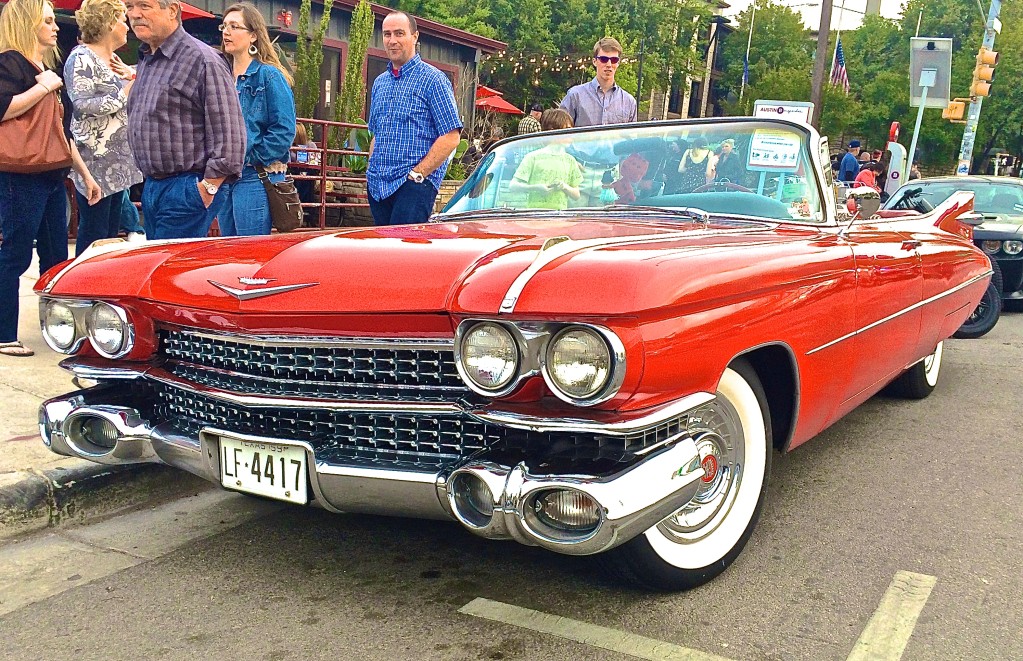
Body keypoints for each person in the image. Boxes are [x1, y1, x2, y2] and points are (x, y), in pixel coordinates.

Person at [0, 0, 101, 358]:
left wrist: (85, 175)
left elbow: (59, 132)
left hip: (50, 174)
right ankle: (4, 332)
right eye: (46, 20)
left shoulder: (46, 67)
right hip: (19, 174)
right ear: (27, 23)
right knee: (13, 254)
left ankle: (61, 330)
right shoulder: (10, 62)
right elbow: (4, 108)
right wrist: (41, 88)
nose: (55, 26)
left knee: (57, 255)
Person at [125, 0, 245, 240]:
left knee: (167, 269)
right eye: (129, 7)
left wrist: (208, 187)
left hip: (186, 185)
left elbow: (230, 134)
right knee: (158, 267)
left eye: (144, 6)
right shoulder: (149, 57)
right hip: (154, 185)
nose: (135, 14)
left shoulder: (203, 59)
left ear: (172, 10)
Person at [366, 11, 461, 226]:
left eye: (399, 33)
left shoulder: (433, 80)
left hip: (413, 185)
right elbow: (377, 134)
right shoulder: (380, 83)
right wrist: (370, 170)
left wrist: (418, 174)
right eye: (387, 34)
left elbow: (451, 136)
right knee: (382, 254)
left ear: (415, 37)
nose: (392, 40)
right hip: (378, 187)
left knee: (404, 255)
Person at [64, 0, 144, 256]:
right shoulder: (81, 57)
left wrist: (131, 79)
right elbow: (83, 104)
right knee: (94, 237)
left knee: (110, 238)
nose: (127, 27)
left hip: (117, 163)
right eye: (122, 19)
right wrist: (126, 90)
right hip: (95, 162)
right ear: (108, 23)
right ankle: (81, 292)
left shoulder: (112, 60)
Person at [218, 2, 296, 236]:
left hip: (255, 175)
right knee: (226, 253)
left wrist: (252, 156)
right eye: (224, 26)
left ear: (253, 35)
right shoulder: (220, 76)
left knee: (248, 253)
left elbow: (284, 129)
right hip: (223, 174)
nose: (226, 32)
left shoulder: (269, 76)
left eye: (234, 26)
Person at [508, 108, 581, 209]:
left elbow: (577, 195)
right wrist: (536, 188)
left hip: (560, 219)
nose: (571, 135)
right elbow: (513, 186)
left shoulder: (570, 160)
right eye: (567, 130)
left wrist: (564, 186)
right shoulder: (533, 157)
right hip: (534, 217)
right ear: (552, 131)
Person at [559, 37, 637, 127]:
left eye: (614, 60)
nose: (609, 64)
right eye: (604, 59)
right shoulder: (575, 96)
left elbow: (631, 138)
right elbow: (561, 133)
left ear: (618, 63)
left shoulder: (629, 102)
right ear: (594, 61)